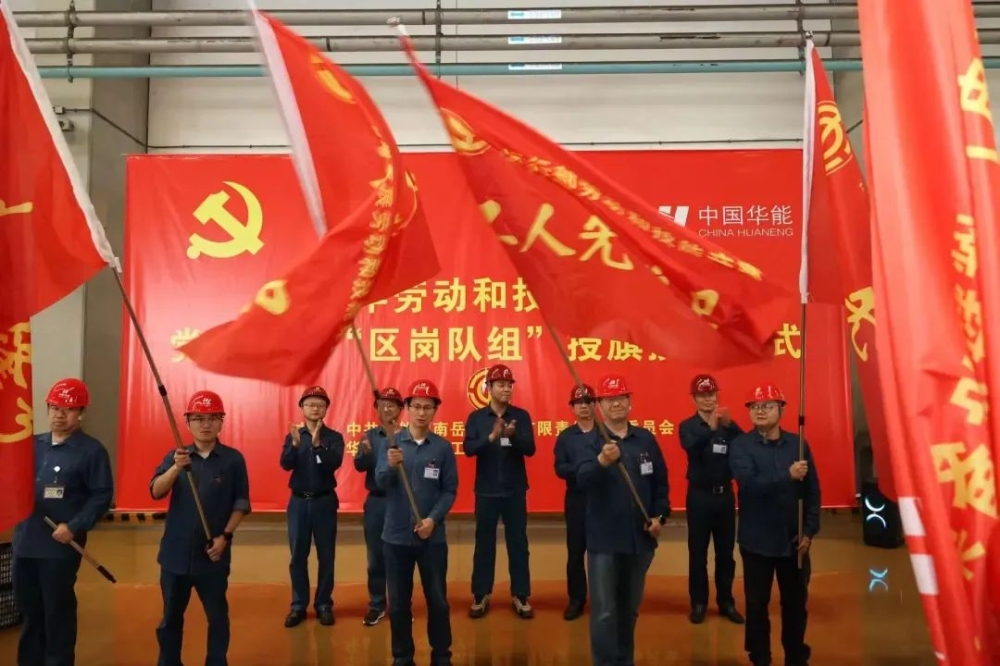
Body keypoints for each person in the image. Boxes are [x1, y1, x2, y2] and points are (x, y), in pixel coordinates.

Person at [12, 378, 114, 666]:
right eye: (55, 407)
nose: (60, 414)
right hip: (25, 543)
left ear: (81, 413)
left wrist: (75, 525)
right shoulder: (31, 445)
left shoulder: (92, 451)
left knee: (57, 613)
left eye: (68, 409)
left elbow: (101, 496)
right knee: (30, 614)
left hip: (59, 547)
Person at [150, 390, 251, 666]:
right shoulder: (176, 456)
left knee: (217, 617)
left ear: (221, 422)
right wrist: (175, 468)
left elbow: (241, 503)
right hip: (175, 556)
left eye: (212, 418)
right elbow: (156, 491)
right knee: (171, 617)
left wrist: (225, 537)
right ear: (187, 422)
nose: (205, 424)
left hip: (213, 555)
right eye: (198, 418)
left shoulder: (233, 460)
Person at [576, 374, 670, 666]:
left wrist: (660, 517)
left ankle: (624, 660)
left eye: (621, 398)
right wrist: (602, 462)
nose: (615, 403)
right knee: (604, 612)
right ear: (600, 405)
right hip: (604, 541)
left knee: (629, 610)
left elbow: (660, 485)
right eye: (609, 399)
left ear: (630, 402)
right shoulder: (592, 441)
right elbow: (581, 479)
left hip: (639, 540)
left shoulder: (645, 439)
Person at [729, 383, 820, 666]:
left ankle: (795, 655)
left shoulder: (798, 444)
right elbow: (750, 485)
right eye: (755, 407)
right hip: (756, 542)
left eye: (768, 406)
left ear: (781, 409)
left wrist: (809, 531)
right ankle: (760, 657)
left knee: (795, 605)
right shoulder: (741, 446)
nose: (760, 411)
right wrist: (787, 476)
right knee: (756, 606)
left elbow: (813, 491)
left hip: (793, 542)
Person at [375, 379, 458, 666]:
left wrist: (433, 519)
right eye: (417, 406)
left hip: (432, 539)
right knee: (398, 603)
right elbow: (380, 482)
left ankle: (442, 656)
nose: (422, 413)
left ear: (435, 411)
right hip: (396, 538)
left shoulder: (443, 448)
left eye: (428, 407)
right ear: (407, 408)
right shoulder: (391, 443)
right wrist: (389, 465)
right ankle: (402, 657)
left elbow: (450, 490)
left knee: (438, 601)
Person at [463, 363, 536, 619]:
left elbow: (530, 449)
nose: (506, 389)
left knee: (518, 544)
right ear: (489, 388)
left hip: (515, 491)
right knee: (484, 544)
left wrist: (513, 437)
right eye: (501, 385)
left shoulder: (521, 416)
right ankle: (481, 594)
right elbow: (468, 449)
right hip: (486, 491)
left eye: (509, 385)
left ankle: (521, 594)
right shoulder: (476, 418)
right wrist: (491, 438)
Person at [678, 374, 745, 625]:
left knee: (726, 553)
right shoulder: (687, 426)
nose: (708, 399)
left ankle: (726, 601)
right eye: (702, 395)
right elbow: (691, 447)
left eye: (711, 394)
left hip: (725, 496)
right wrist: (712, 429)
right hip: (699, 496)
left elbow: (746, 445)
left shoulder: (727, 425)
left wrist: (731, 426)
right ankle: (698, 603)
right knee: (697, 553)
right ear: (694, 399)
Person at [280, 385, 346, 627]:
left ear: (326, 408)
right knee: (298, 556)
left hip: (324, 502)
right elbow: (285, 464)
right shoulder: (294, 436)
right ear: (302, 407)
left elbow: (332, 464)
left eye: (320, 404)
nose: (315, 408)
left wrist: (318, 445)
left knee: (326, 556)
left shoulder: (334, 437)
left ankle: (324, 604)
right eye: (310, 404)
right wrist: (295, 446)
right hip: (298, 503)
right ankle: (298, 606)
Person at [355, 386, 404, 627]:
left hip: (400, 502)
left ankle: (400, 605)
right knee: (376, 558)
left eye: (392, 404)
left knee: (401, 557)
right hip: (376, 503)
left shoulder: (407, 436)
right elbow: (359, 466)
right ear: (376, 409)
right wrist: (365, 454)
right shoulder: (369, 436)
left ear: (400, 409)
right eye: (382, 404)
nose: (387, 408)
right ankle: (376, 605)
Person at [552, 383, 596, 621]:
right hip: (577, 499)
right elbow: (560, 467)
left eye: (588, 402)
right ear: (572, 408)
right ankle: (576, 599)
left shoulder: (606, 433)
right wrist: (583, 470)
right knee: (576, 552)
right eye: (579, 403)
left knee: (603, 552)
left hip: (603, 499)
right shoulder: (566, 437)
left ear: (595, 405)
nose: (584, 407)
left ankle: (603, 598)